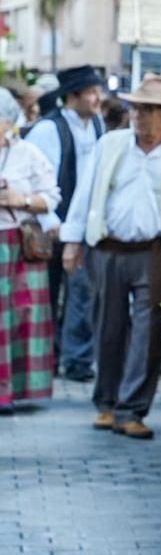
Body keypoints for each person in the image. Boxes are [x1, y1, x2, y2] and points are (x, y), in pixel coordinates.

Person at [61, 74, 161, 440]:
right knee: (107, 327)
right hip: (107, 248)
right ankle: (106, 403)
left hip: (154, 251)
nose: (140, 115)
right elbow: (85, 194)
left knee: (149, 333)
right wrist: (72, 241)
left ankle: (132, 409)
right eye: (136, 107)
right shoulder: (111, 144)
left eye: (150, 109)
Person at [23, 65, 105, 384]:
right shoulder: (49, 128)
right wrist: (51, 220)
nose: (98, 98)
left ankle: (76, 360)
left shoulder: (97, 125)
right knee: (47, 293)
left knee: (81, 292)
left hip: (82, 223)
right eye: (92, 92)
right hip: (50, 224)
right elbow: (38, 181)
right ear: (73, 96)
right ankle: (49, 357)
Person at [0, 89, 61, 412]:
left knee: (22, 315)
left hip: (20, 245)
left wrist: (18, 200)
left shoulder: (28, 154)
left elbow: (51, 197)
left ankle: (16, 391)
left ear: (8, 121)